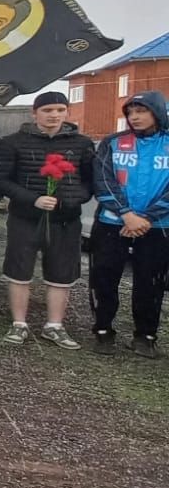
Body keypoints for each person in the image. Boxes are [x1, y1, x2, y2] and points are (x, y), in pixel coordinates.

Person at [0, 90, 95, 350]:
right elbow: (1, 179)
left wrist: (71, 198)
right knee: (19, 270)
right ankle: (19, 323)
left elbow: (89, 182)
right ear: (35, 112)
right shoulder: (13, 142)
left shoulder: (81, 144)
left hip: (64, 219)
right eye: (48, 110)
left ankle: (55, 325)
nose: (54, 115)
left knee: (62, 273)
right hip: (25, 217)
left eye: (60, 110)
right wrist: (32, 198)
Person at [89, 90, 169, 358]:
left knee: (151, 281)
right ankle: (103, 330)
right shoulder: (112, 143)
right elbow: (101, 179)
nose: (134, 117)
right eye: (130, 112)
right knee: (104, 277)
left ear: (157, 112)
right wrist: (126, 213)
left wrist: (145, 218)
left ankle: (145, 336)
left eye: (141, 111)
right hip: (113, 222)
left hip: (157, 227)